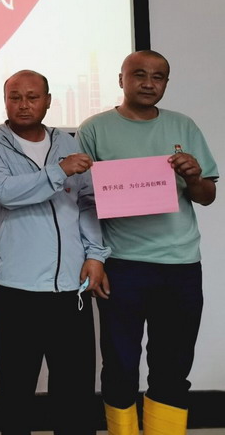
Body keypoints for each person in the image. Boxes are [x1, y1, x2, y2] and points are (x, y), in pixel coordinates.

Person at [77, 50, 217, 435]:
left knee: (173, 364)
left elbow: (207, 196)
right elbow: (83, 200)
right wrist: (95, 258)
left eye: (158, 77)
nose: (148, 83)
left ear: (166, 83)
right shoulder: (94, 129)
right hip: (121, 265)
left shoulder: (183, 126)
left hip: (180, 265)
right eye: (139, 74)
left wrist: (193, 177)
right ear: (121, 79)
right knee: (120, 364)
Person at [0, 70, 110, 435]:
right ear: (5, 101)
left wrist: (95, 255)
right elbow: (5, 192)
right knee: (16, 392)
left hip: (70, 288)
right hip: (17, 288)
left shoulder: (68, 141)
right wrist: (59, 171)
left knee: (75, 394)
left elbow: (86, 202)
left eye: (32, 97)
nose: (23, 104)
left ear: (48, 101)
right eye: (15, 97)